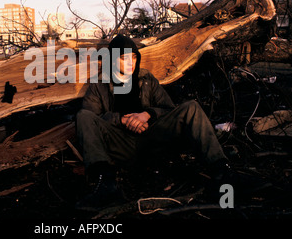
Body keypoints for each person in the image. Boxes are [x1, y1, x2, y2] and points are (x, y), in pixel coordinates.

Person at [74, 34, 268, 211]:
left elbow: (169, 109)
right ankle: (106, 186)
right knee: (82, 116)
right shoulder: (99, 84)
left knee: (191, 107)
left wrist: (147, 114)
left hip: (152, 137)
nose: (130, 62)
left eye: (133, 57)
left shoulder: (146, 78)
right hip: (121, 144)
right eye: (124, 58)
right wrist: (122, 119)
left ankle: (223, 174)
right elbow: (91, 118)